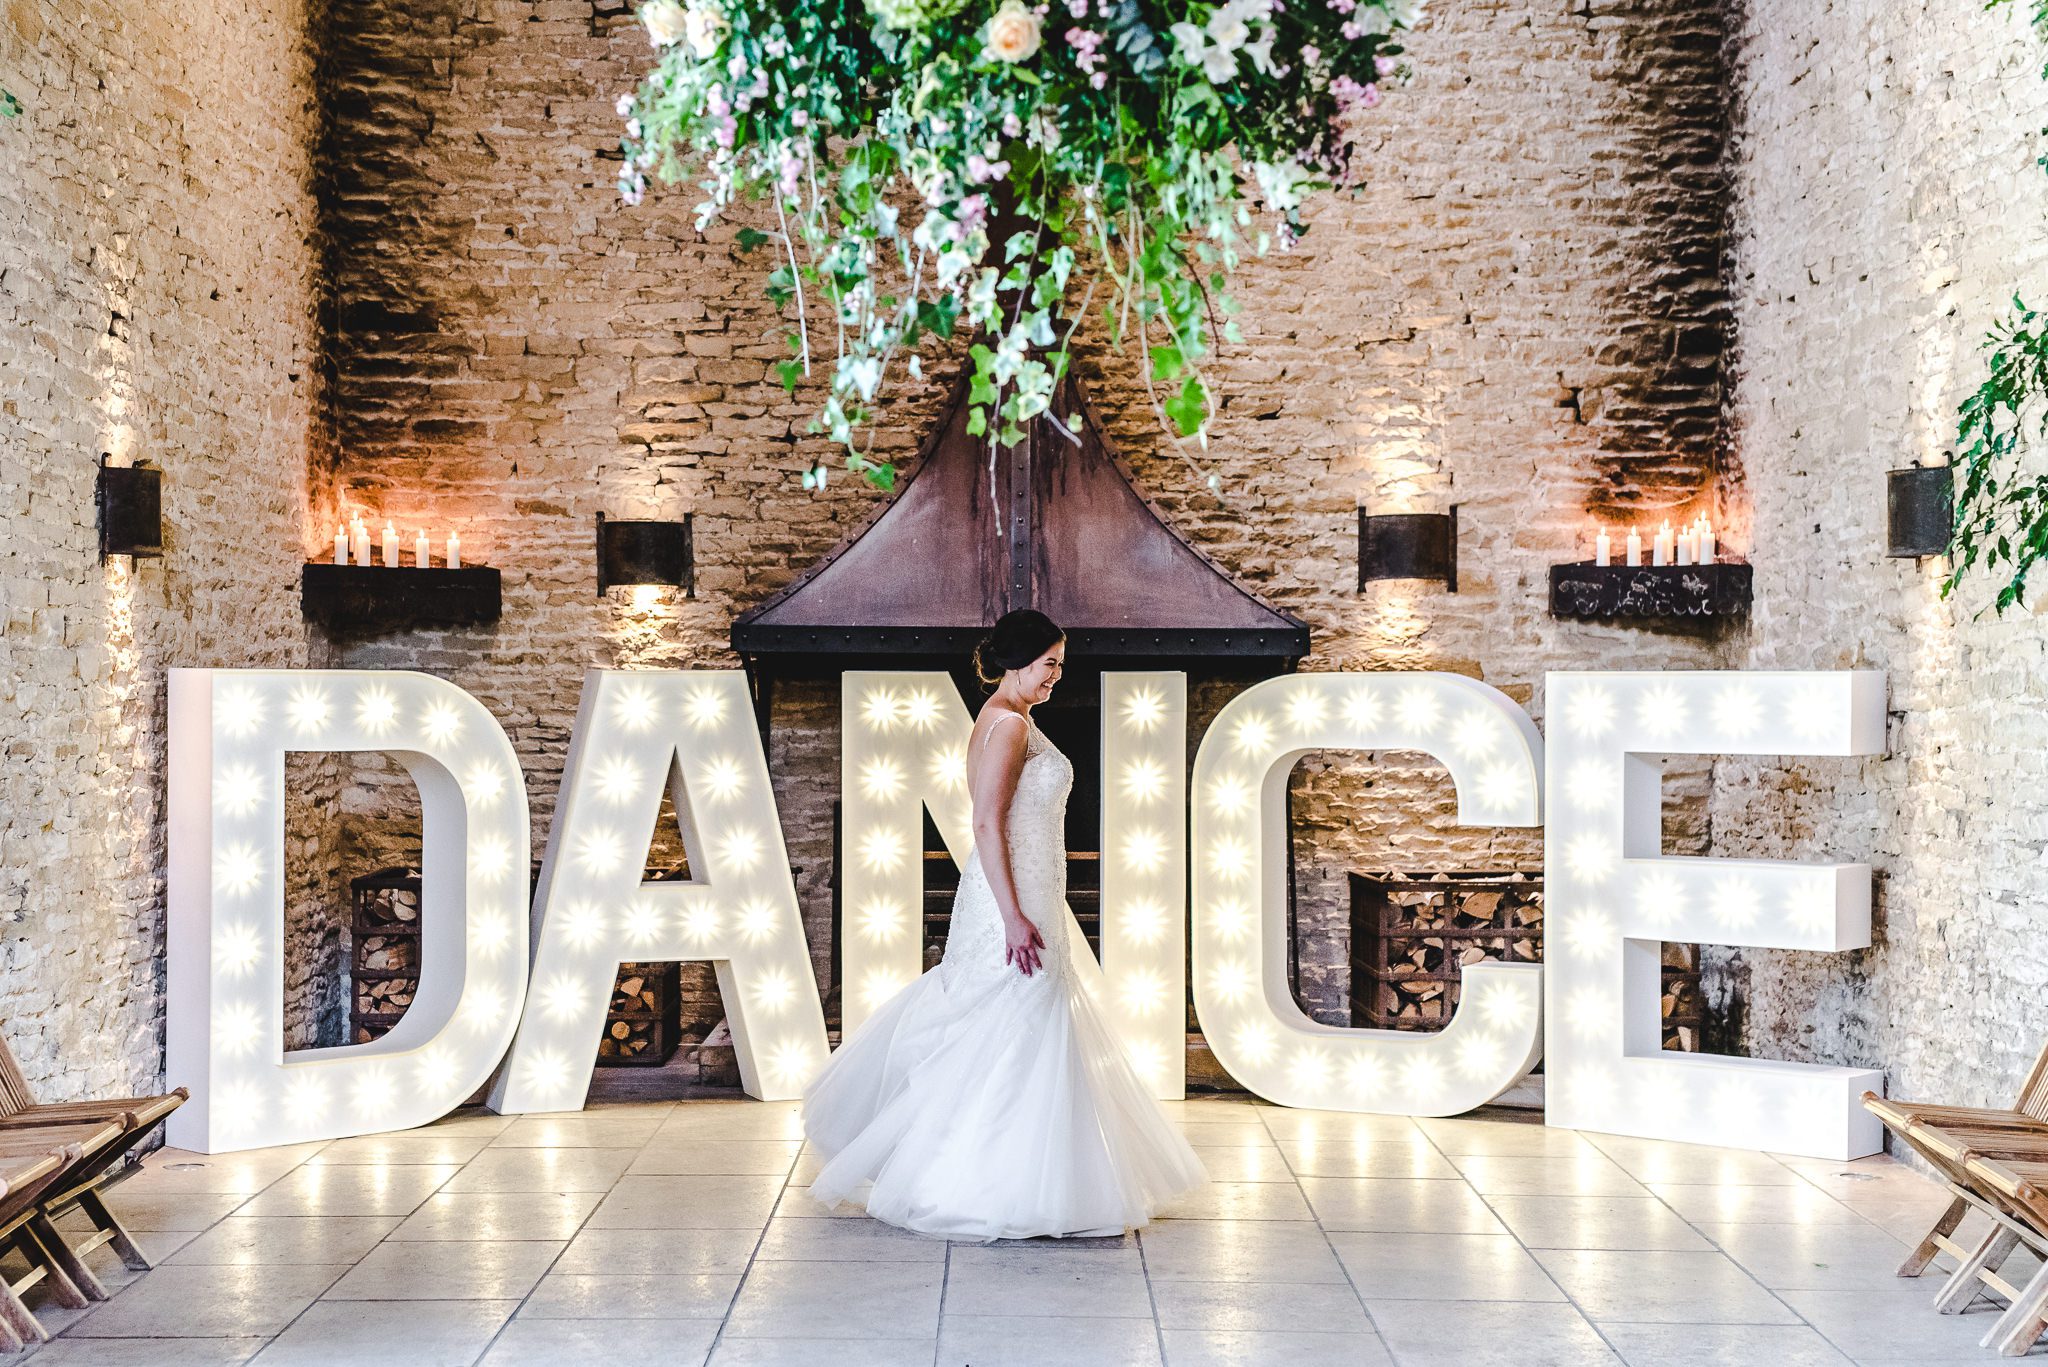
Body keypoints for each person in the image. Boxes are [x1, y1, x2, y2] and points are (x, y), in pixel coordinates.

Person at [800, 608, 1207, 1240]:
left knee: (1023, 1028)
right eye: (1050, 664)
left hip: (1030, 892)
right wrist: (1014, 914)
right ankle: (991, 1184)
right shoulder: (1009, 727)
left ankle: (1020, 1176)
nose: (1056, 677)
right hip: (1011, 900)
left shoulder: (1013, 721)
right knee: (1013, 1022)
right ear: (1019, 659)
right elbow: (986, 823)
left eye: (1061, 667)